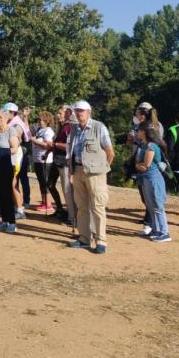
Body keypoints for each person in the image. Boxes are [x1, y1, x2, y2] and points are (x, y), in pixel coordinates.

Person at [67, 100, 115, 254]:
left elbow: (110, 152)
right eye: (77, 110)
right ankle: (84, 238)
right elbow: (71, 152)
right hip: (79, 170)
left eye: (81, 110)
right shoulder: (74, 129)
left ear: (89, 112)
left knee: (98, 206)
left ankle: (101, 240)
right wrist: (72, 172)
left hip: (96, 173)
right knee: (81, 206)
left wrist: (103, 169)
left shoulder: (98, 127)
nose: (78, 113)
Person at [135, 125, 171, 242]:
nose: (137, 132)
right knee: (151, 206)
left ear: (144, 132)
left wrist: (137, 166)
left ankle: (164, 232)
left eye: (139, 130)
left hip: (153, 178)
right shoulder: (145, 145)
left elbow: (146, 165)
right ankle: (156, 230)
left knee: (157, 205)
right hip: (147, 178)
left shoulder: (151, 146)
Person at [29, 111, 57, 212]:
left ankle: (48, 204)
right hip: (38, 159)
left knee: (45, 181)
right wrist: (25, 116)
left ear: (48, 121)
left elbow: (47, 145)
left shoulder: (48, 131)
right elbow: (29, 129)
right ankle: (44, 202)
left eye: (43, 120)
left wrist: (34, 140)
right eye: (39, 120)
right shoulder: (40, 129)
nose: (41, 122)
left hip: (45, 160)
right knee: (41, 181)